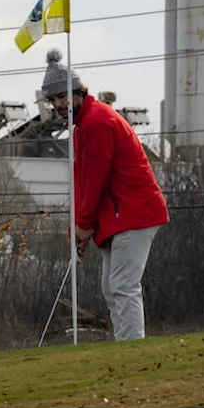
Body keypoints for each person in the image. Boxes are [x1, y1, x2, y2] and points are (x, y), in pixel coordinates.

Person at [40, 48, 169, 342]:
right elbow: (82, 181)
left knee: (124, 286)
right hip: (117, 216)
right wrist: (78, 227)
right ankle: (125, 344)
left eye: (62, 96)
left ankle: (131, 348)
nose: (58, 104)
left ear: (78, 92)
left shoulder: (97, 122)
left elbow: (95, 179)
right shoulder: (82, 126)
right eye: (53, 99)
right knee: (112, 288)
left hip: (134, 213)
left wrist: (84, 225)